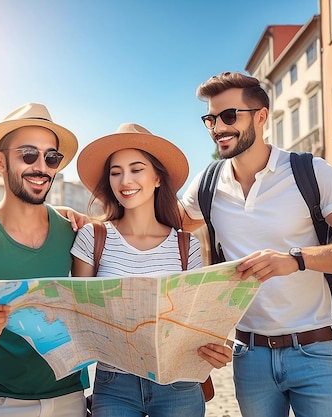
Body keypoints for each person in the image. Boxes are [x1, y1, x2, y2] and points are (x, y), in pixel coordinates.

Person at [179, 72, 332, 417]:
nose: (218, 127)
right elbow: (155, 222)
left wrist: (296, 260)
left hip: (314, 350)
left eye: (229, 116)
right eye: (210, 119)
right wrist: (69, 216)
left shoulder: (310, 172)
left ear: (260, 117)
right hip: (249, 356)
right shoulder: (207, 183)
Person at [71, 123, 231, 417]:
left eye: (136, 169)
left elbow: (196, 322)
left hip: (178, 384)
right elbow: (78, 316)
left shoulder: (187, 246)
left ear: (158, 178)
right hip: (114, 383)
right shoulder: (92, 238)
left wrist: (215, 348)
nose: (124, 180)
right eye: (115, 171)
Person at [0, 103, 89, 417]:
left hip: (71, 397)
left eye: (51, 157)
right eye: (28, 154)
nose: (42, 167)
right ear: (0, 160)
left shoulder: (76, 232)